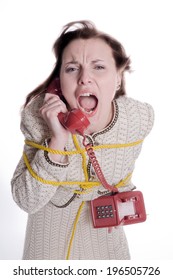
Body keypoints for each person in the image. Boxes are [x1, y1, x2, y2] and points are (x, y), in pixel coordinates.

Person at [11, 20, 154, 260]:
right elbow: (26, 201)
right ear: (59, 83)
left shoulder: (139, 118)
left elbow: (124, 173)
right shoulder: (39, 117)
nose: (84, 78)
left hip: (108, 237)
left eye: (98, 67)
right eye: (71, 69)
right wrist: (57, 140)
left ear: (117, 78)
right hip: (49, 243)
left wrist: (122, 196)